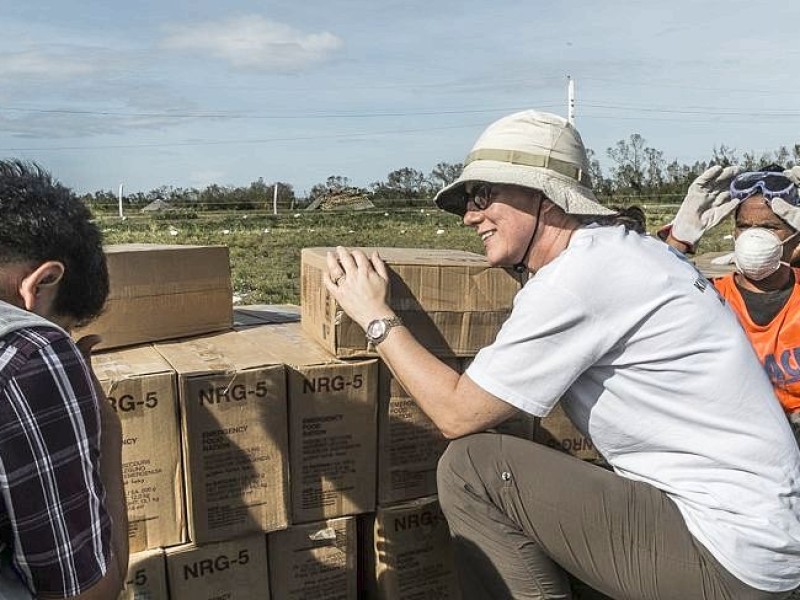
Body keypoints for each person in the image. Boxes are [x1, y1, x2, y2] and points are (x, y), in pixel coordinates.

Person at [323, 110, 800, 599]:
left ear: (544, 198)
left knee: (472, 468)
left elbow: (457, 413)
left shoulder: (579, 278)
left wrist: (375, 316)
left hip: (730, 553)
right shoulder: (630, 252)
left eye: (484, 195)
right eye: (468, 200)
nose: (470, 215)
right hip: (762, 535)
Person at [0, 160, 128, 598]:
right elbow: (88, 592)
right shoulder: (30, 355)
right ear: (43, 281)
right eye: (66, 327)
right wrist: (108, 428)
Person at [663, 165, 800, 443]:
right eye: (744, 226)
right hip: (731, 440)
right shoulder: (710, 296)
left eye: (770, 227)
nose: (753, 236)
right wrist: (678, 241)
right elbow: (649, 298)